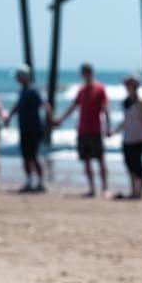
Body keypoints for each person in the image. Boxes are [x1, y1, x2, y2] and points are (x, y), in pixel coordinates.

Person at [53, 63, 110, 198]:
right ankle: (92, 188)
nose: (85, 75)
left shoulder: (100, 89)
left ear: (91, 73)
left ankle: (105, 188)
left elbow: (106, 109)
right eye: (83, 73)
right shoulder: (81, 90)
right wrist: (61, 119)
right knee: (86, 160)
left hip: (95, 129)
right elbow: (73, 106)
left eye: (86, 72)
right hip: (82, 130)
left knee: (100, 159)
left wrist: (108, 128)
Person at [6, 66, 46, 193]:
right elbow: (18, 106)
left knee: (33, 156)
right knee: (25, 156)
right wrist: (9, 116)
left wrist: (52, 120)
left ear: (23, 76)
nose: (16, 79)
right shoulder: (23, 90)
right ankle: (29, 181)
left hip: (34, 128)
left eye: (18, 76)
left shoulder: (33, 90)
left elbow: (45, 105)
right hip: (24, 128)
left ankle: (40, 182)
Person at [116, 74, 142, 200]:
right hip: (127, 138)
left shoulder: (141, 102)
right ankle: (133, 190)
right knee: (129, 164)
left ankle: (140, 191)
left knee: (138, 165)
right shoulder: (125, 102)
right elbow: (125, 120)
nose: (128, 87)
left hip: (138, 137)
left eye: (130, 84)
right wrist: (115, 131)